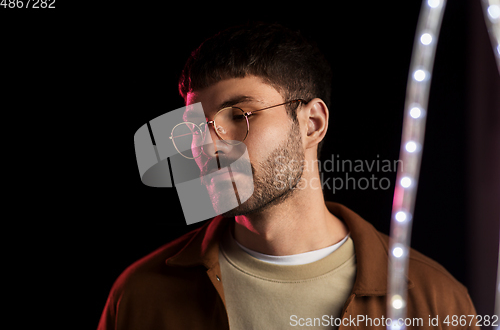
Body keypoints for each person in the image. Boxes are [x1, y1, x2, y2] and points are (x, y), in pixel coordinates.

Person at [98, 22, 478, 329]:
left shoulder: (433, 301)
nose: (208, 145)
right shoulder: (139, 297)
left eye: (238, 116)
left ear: (312, 123)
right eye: (194, 127)